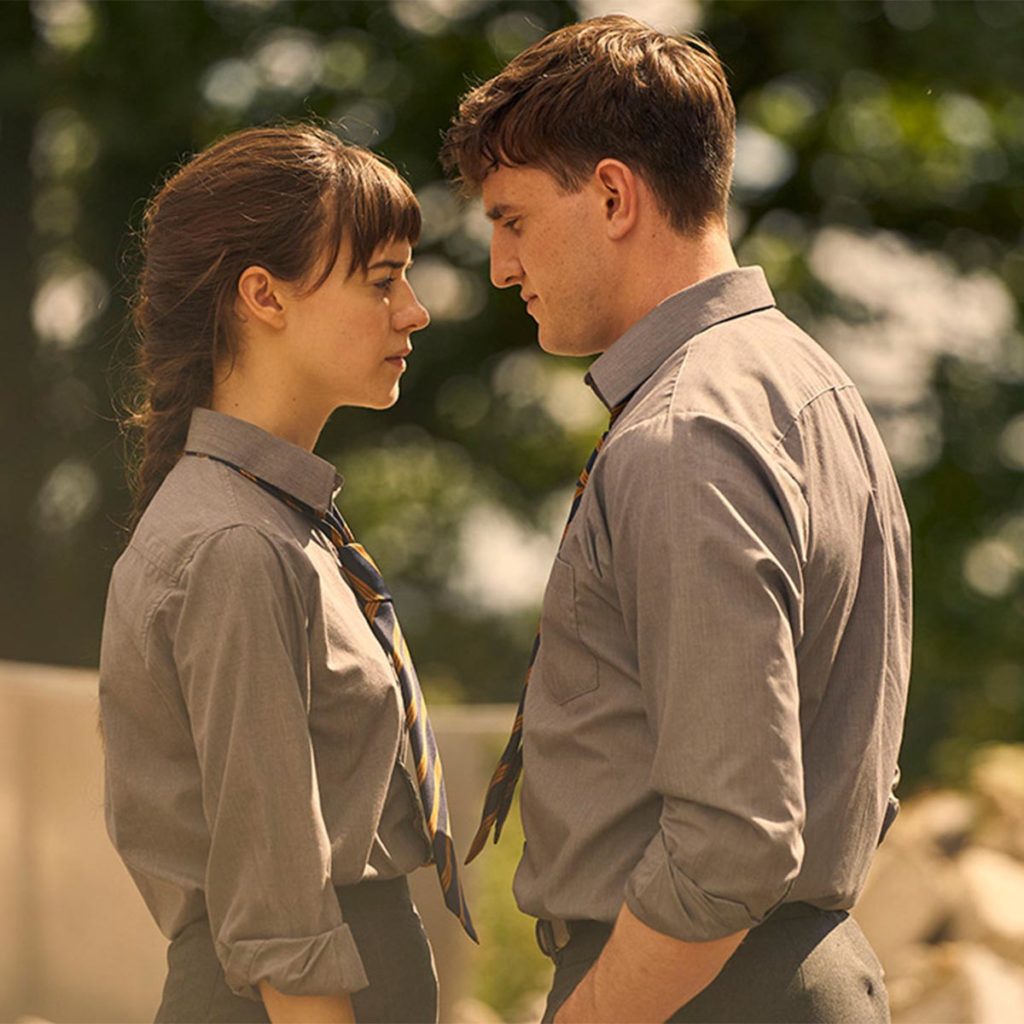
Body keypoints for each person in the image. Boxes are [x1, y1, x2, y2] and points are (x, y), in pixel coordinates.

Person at [442, 15, 909, 1024]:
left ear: (612, 195)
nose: (498, 267)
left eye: (512, 219)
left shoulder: (684, 432)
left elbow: (732, 835)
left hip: (699, 994)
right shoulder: (812, 392)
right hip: (771, 974)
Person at [99, 124, 475, 1024]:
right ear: (262, 295)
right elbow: (279, 916)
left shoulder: (276, 522)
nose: (415, 310)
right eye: (382, 280)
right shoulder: (237, 544)